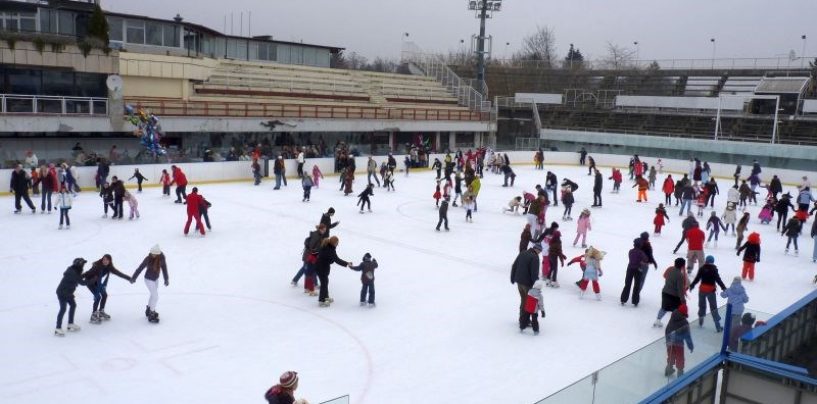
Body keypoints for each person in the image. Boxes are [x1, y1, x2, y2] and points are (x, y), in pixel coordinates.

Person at [82, 254, 131, 324]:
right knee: (98, 297)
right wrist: (77, 277)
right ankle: (93, 315)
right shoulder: (97, 266)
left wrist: (129, 278)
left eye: (107, 260)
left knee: (104, 295)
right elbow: (88, 273)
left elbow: (119, 273)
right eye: (104, 259)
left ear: (110, 261)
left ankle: (101, 312)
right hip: (90, 282)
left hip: (97, 282)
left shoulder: (109, 267)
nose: (105, 261)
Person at [130, 245, 169, 323]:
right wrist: (134, 277)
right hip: (148, 279)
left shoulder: (161, 258)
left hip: (156, 279)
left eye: (155, 254)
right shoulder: (148, 258)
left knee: (153, 295)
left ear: (158, 253)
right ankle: (151, 313)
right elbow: (140, 268)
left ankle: (149, 309)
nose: (153, 255)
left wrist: (166, 279)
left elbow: (164, 268)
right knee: (156, 296)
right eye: (152, 253)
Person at [689, 255, 726, 332]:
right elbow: (718, 279)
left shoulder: (702, 268)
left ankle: (701, 322)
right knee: (713, 308)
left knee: (702, 306)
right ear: (712, 262)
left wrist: (692, 285)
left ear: (706, 261)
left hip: (702, 290)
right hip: (711, 291)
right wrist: (723, 288)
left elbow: (697, 278)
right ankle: (718, 327)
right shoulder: (714, 269)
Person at [512, 244, 542, 332]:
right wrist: (536, 286)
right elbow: (534, 273)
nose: (540, 253)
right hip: (527, 283)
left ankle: (522, 319)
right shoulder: (535, 258)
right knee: (529, 303)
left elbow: (515, 265)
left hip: (519, 282)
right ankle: (524, 321)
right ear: (537, 249)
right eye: (539, 251)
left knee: (523, 300)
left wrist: (513, 277)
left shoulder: (523, 253)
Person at [54, 258, 87, 336]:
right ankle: (58, 328)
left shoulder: (75, 271)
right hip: (62, 293)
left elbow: (79, 278)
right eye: (82, 264)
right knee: (63, 309)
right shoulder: (73, 273)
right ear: (78, 265)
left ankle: (70, 324)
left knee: (73, 305)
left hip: (68, 293)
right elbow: (82, 282)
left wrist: (87, 274)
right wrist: (93, 279)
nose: (83, 266)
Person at [315, 236, 351, 307]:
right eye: (337, 243)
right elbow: (337, 260)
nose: (338, 244)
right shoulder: (330, 250)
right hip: (321, 268)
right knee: (324, 284)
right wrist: (347, 263)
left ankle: (326, 297)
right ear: (334, 243)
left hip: (320, 267)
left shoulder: (326, 246)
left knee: (325, 282)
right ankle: (321, 301)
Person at [654, 258, 687, 327]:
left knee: (664, 307)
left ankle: (657, 320)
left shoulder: (670, 270)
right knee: (676, 311)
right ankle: (675, 325)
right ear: (682, 266)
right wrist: (683, 300)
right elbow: (680, 289)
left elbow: (665, 276)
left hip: (665, 292)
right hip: (674, 295)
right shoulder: (680, 275)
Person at [665, 304, 694, 377]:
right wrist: (690, 346)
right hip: (679, 343)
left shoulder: (673, 316)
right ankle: (680, 373)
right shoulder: (685, 323)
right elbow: (688, 336)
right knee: (680, 357)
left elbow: (668, 328)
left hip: (669, 340)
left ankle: (668, 369)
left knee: (671, 354)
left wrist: (667, 339)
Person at [621, 239, 648, 307]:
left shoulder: (631, 251)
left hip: (630, 268)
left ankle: (623, 299)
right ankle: (635, 301)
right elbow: (645, 260)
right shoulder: (641, 253)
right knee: (636, 286)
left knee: (627, 284)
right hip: (638, 270)